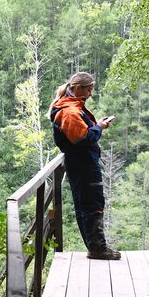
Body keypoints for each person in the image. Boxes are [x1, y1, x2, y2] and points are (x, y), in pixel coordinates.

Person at [49, 71, 120, 259]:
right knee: (92, 205)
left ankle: (95, 247)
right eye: (88, 90)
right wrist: (99, 128)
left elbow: (79, 133)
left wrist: (95, 125)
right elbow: (82, 138)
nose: (90, 94)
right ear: (78, 88)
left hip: (78, 163)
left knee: (85, 205)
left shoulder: (68, 106)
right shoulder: (69, 111)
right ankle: (98, 249)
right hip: (84, 164)